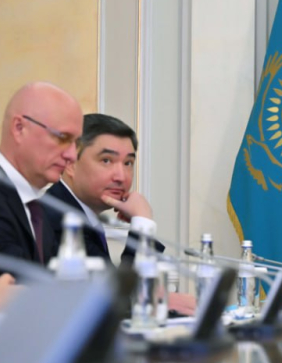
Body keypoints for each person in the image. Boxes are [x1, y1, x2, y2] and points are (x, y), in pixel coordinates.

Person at [44, 113, 195, 315]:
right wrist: (142, 224)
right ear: (70, 164)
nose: (121, 177)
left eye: (128, 163)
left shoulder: (78, 213)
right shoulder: (56, 220)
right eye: (106, 160)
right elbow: (112, 306)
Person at [0, 82, 82, 302]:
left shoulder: (34, 207)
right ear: (19, 128)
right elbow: (28, 295)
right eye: (63, 138)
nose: (72, 155)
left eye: (76, 143)